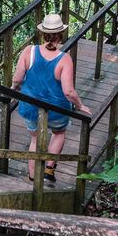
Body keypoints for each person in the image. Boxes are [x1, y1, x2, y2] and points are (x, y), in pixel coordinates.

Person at [11, 13, 92, 184]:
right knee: (58, 133)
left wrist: (14, 89)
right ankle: (49, 169)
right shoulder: (64, 59)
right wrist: (80, 106)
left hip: (31, 107)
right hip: (56, 110)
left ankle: (33, 176)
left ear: (42, 33)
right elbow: (68, 91)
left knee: (35, 138)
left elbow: (17, 79)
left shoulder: (29, 51)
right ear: (60, 35)